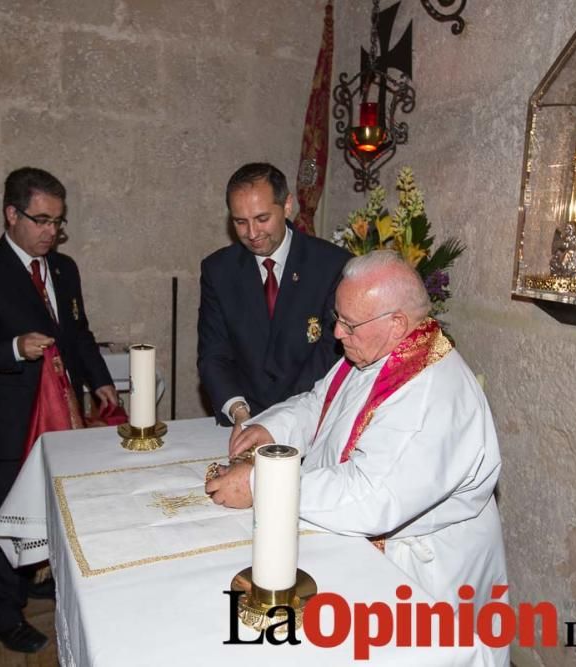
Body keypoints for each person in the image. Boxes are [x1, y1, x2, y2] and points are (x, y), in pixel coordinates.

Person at [206, 250, 508, 640]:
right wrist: (273, 429)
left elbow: (370, 495)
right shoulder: (377, 352)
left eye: (349, 324)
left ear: (397, 323)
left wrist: (260, 483)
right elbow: (321, 403)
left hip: (421, 577)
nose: (336, 334)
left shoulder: (430, 393)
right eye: (338, 319)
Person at [0, 167, 117, 653]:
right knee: (6, 519)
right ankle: (2, 614)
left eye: (57, 222)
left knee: (57, 508)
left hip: (62, 416)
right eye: (41, 220)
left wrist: (102, 381)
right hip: (11, 424)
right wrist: (16, 348)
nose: (50, 232)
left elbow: (78, 335)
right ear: (11, 214)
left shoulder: (64, 269)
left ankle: (40, 574)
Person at [197, 162, 350, 438]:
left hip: (310, 423)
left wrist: (282, 420)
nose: (252, 233)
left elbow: (331, 354)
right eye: (240, 222)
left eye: (262, 218)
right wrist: (239, 412)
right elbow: (213, 354)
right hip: (243, 422)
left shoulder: (331, 265)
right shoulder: (218, 271)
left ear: (287, 205)